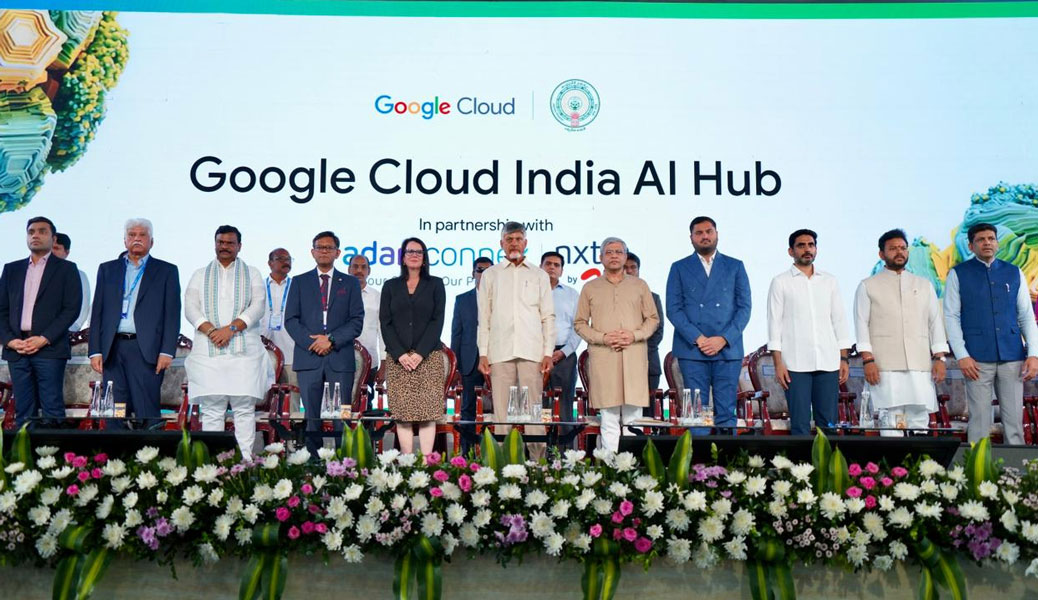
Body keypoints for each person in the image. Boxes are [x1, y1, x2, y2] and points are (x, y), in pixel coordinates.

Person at [943, 223, 1038, 445]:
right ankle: (978, 464)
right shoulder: (958, 274)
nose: (987, 243)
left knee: (1014, 421)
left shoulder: (1013, 272)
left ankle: (1016, 466)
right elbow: (951, 317)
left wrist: (1033, 354)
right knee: (979, 420)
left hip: (1012, 355)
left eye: (991, 238)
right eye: (981, 239)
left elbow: (1026, 315)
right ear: (970, 246)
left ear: (997, 243)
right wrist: (962, 355)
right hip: (976, 358)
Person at [184, 225, 271, 456]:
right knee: (212, 410)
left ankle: (244, 463)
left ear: (239, 246)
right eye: (220, 242)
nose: (224, 247)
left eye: (230, 243)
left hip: (244, 354)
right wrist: (213, 331)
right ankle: (214, 465)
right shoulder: (199, 274)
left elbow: (258, 306)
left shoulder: (252, 273)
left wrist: (230, 330)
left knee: (244, 410)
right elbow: (190, 308)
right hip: (208, 351)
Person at [88, 218, 181, 429]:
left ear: (152, 241)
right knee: (115, 409)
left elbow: (172, 314)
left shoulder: (166, 271)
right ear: (125, 241)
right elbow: (98, 311)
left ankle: (149, 449)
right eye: (132, 235)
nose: (136, 239)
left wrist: (167, 351)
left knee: (146, 408)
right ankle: (116, 449)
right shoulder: (107, 269)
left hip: (146, 349)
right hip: (113, 348)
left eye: (142, 235)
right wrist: (95, 350)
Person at [853, 229, 948, 435]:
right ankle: (896, 457)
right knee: (892, 420)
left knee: (919, 418)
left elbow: (935, 323)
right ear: (881, 254)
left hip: (919, 365)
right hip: (885, 366)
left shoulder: (924, 285)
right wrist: (868, 360)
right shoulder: (868, 286)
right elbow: (861, 325)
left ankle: (918, 457)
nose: (899, 252)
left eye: (903, 248)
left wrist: (940, 358)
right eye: (893, 248)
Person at [574, 237, 659, 451]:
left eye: (618, 252)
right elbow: (580, 323)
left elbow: (652, 319)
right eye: (609, 252)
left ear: (625, 256)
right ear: (601, 257)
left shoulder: (640, 285)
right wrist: (603, 338)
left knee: (633, 418)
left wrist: (634, 335)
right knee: (609, 418)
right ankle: (611, 466)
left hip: (633, 355)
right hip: (605, 357)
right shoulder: (590, 287)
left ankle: (631, 465)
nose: (614, 256)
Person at [666, 216, 751, 431]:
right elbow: (673, 309)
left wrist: (723, 339)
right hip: (692, 349)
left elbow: (744, 308)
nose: (705, 236)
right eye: (699, 233)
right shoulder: (679, 267)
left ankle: (726, 454)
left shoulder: (735, 266)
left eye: (709, 231)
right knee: (697, 414)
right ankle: (699, 454)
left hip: (727, 349)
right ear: (691, 237)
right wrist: (699, 338)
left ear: (717, 234)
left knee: (726, 411)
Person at [284, 231, 364, 454]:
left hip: (340, 359)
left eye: (329, 248)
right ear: (312, 252)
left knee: (342, 416)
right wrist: (313, 343)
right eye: (320, 247)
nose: (324, 251)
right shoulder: (299, 282)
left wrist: (330, 340)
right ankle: (313, 462)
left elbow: (356, 321)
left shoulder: (350, 283)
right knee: (312, 418)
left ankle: (344, 461)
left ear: (338, 253)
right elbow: (291, 320)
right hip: (309, 358)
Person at [477, 222, 553, 451]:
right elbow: (484, 317)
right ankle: (503, 464)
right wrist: (483, 353)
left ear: (525, 243)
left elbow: (548, 316)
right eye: (509, 239)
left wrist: (548, 352)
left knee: (533, 413)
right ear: (501, 244)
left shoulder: (539, 275)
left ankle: (538, 464)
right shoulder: (490, 275)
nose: (514, 244)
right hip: (500, 352)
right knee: (502, 414)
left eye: (518, 239)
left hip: (532, 353)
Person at [767, 229, 851, 435]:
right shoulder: (780, 282)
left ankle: (827, 458)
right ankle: (801, 459)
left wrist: (843, 359)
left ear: (816, 249)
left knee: (828, 425)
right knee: (800, 426)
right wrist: (778, 363)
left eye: (811, 245)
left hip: (828, 361)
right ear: (791, 251)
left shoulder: (829, 281)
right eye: (801, 245)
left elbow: (839, 321)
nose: (807, 249)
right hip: (795, 364)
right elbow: (774, 325)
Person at [0, 217, 82, 427]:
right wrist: (10, 340)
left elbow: (71, 309)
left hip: (49, 348)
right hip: (17, 348)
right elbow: (1, 310)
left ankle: (52, 450)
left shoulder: (67, 269)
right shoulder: (12, 269)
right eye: (31, 232)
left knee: (52, 408)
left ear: (53, 239)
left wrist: (44, 338)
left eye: (42, 231)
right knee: (23, 410)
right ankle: (24, 449)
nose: (35, 235)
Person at [380, 238, 447, 455]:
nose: (414, 255)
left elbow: (437, 320)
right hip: (398, 360)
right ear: (403, 257)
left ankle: (427, 463)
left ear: (425, 258)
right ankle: (407, 462)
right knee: (403, 415)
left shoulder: (436, 284)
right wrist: (400, 354)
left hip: (428, 358)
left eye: (419, 252)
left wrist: (420, 353)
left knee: (428, 414)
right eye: (410, 251)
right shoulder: (390, 286)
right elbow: (385, 322)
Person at [451, 257, 492, 454]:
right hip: (469, 360)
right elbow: (456, 334)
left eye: (488, 271)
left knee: (498, 408)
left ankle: (492, 452)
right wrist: (455, 366)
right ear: (473, 273)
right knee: (467, 408)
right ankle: (466, 454)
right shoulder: (462, 300)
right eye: (480, 270)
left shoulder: (502, 299)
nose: (483, 274)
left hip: (495, 360)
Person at [541, 251, 581, 429]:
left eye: (556, 265)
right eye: (548, 264)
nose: (552, 267)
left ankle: (565, 446)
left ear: (562, 271)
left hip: (564, 356)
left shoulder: (572, 294)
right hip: (537, 355)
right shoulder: (531, 293)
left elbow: (578, 327)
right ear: (540, 267)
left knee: (564, 405)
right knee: (539, 405)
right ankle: (540, 444)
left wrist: (564, 352)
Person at [625, 251, 664, 417]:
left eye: (633, 267)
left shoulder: (653, 297)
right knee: (623, 413)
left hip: (648, 363)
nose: (629, 271)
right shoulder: (609, 298)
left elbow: (658, 331)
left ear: (638, 270)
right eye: (625, 267)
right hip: (620, 362)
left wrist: (638, 349)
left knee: (647, 416)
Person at [349, 254, 382, 403]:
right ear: (349, 269)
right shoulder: (340, 294)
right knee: (340, 405)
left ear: (369, 271)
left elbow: (383, 332)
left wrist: (384, 363)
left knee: (365, 404)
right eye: (355, 266)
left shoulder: (377, 297)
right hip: (340, 361)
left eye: (363, 267)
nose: (359, 271)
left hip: (370, 362)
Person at [262, 248, 297, 387]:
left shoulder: (297, 287)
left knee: (292, 397)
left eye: (288, 259)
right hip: (262, 352)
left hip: (291, 353)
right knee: (264, 395)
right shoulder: (259, 286)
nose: (286, 262)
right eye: (280, 259)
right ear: (270, 263)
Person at [52, 232, 90, 332]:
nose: (52, 252)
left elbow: (83, 307)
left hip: (65, 332)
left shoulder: (79, 275)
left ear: (67, 252)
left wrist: (71, 329)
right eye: (49, 248)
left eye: (56, 248)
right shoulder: (34, 273)